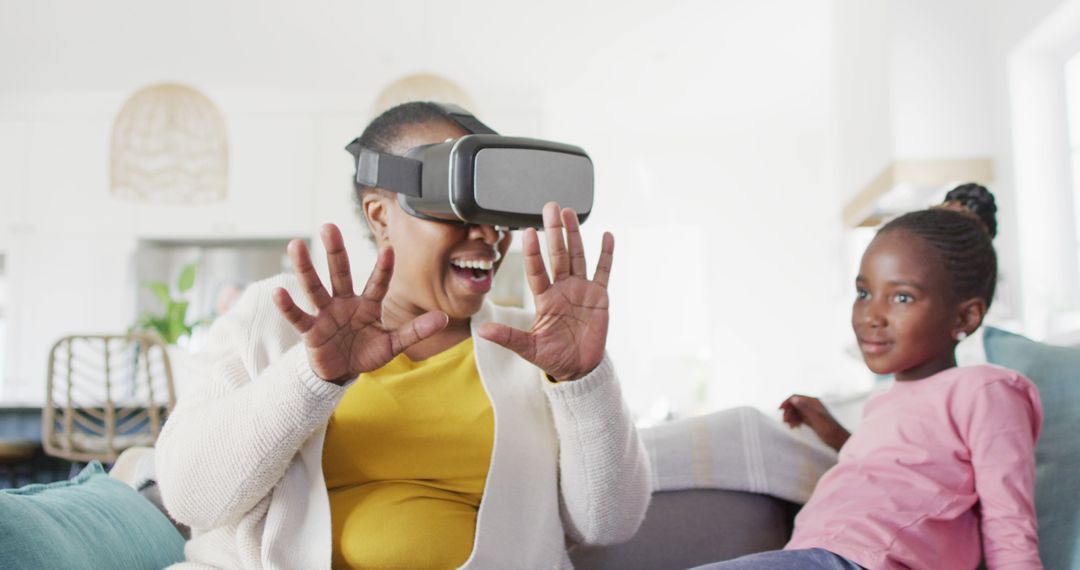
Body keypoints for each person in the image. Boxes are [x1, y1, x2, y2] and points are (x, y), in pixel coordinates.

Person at [155, 102, 652, 569]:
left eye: (494, 217)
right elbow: (189, 496)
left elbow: (609, 523)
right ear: (380, 215)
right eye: (455, 209)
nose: (487, 235)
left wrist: (582, 379)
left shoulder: (535, 344)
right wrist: (311, 377)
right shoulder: (284, 318)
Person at [696, 184, 1043, 569]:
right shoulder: (885, 398)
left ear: (965, 316)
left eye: (901, 297)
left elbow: (1009, 523)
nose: (870, 315)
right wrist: (830, 429)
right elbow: (893, 468)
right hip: (816, 553)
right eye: (864, 293)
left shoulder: (986, 390)